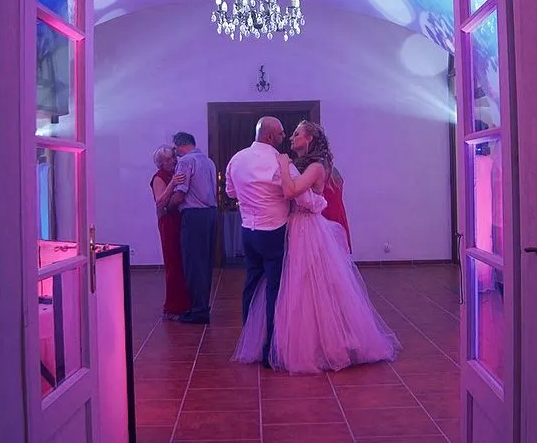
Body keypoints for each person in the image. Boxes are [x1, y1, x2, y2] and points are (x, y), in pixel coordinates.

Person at [232, 120, 401, 373]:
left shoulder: (315, 166)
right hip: (293, 227)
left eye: (297, 134)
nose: (290, 137)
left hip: (306, 229)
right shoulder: (299, 164)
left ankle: (317, 344)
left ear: (309, 139)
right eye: (288, 133)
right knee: (291, 285)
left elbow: (291, 192)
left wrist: (283, 166)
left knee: (308, 284)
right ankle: (282, 342)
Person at [223, 117, 290, 366]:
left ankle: (250, 339)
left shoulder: (237, 158)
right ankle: (270, 347)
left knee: (251, 284)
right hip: (274, 230)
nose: (284, 137)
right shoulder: (279, 161)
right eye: (281, 133)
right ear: (270, 136)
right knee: (274, 288)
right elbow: (293, 190)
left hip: (248, 230)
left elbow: (230, 192)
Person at [163, 132, 218, 324]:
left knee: (193, 263)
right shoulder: (209, 161)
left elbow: (180, 195)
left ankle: (198, 310)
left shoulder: (186, 161)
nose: (175, 153)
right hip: (211, 214)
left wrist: (167, 208)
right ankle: (202, 305)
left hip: (194, 215)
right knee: (205, 262)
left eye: (175, 148)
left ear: (180, 145)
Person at [150, 145, 190, 319]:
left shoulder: (176, 173)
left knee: (182, 263)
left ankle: (185, 304)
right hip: (168, 222)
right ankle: (173, 307)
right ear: (160, 163)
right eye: (168, 160)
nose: (173, 161)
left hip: (179, 220)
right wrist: (173, 183)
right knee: (173, 262)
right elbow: (160, 202)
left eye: (173, 158)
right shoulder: (159, 177)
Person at [319, 158, 352, 253]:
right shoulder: (335, 173)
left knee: (328, 250)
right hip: (338, 213)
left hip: (326, 215)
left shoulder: (320, 175)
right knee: (339, 249)